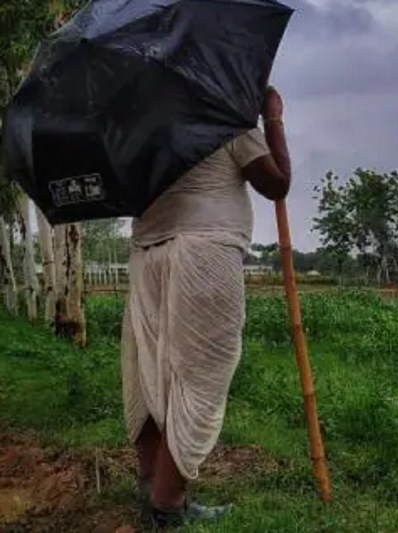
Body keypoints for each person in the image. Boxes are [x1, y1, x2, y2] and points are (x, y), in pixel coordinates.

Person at [121, 86, 291, 528]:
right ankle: (167, 506)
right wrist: (272, 118)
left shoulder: (137, 125)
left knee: (149, 369)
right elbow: (276, 184)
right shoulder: (224, 116)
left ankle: (151, 486)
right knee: (200, 377)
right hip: (205, 253)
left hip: (145, 254)